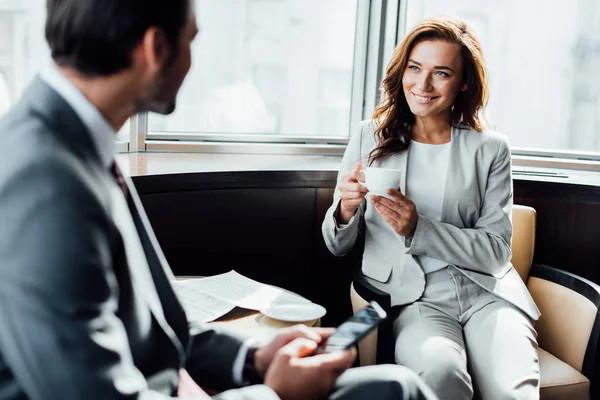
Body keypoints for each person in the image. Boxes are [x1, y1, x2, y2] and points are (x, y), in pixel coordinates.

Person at [0, 1, 438, 399]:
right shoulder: (43, 179)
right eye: (190, 41)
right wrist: (274, 393)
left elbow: (159, 320)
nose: (193, 61)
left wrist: (255, 359)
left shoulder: (78, 143)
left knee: (395, 386)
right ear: (155, 48)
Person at [322, 16, 540, 400]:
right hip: (415, 297)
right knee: (441, 375)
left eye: (441, 73)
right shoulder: (368, 136)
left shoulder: (491, 149)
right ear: (402, 70)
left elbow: (495, 253)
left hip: (487, 293)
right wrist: (345, 210)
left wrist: (418, 228)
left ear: (464, 82)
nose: (422, 85)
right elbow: (337, 246)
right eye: (415, 68)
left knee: (512, 391)